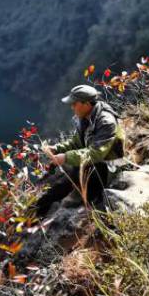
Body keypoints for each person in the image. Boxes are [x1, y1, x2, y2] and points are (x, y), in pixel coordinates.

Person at [36, 85, 125, 214]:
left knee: (65, 177)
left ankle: (45, 210)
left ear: (87, 103)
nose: (72, 107)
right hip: (94, 164)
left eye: (74, 104)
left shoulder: (106, 122)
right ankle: (40, 208)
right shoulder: (86, 118)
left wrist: (65, 157)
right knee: (57, 176)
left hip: (107, 169)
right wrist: (56, 149)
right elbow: (76, 142)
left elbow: (96, 154)